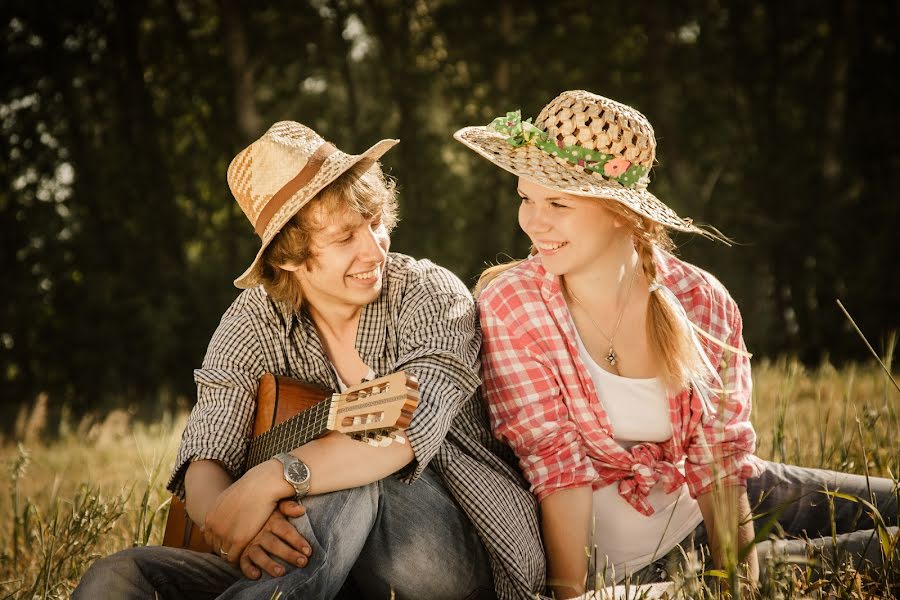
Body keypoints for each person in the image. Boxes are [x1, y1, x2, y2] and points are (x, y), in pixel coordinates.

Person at [453, 90, 898, 598]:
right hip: (631, 565)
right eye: (525, 198)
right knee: (873, 548)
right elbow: (556, 470)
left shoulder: (700, 299)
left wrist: (738, 581)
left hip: (718, 501)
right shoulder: (514, 305)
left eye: (558, 202)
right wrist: (569, 594)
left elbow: (720, 460)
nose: (534, 222)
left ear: (622, 212)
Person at [74, 121, 544, 599]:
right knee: (120, 574)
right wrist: (240, 525)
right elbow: (205, 458)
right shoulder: (254, 320)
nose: (373, 248)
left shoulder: (428, 291)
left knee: (356, 471)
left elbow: (405, 433)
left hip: (440, 554)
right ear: (288, 257)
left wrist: (277, 476)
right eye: (344, 238)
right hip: (303, 556)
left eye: (375, 222)